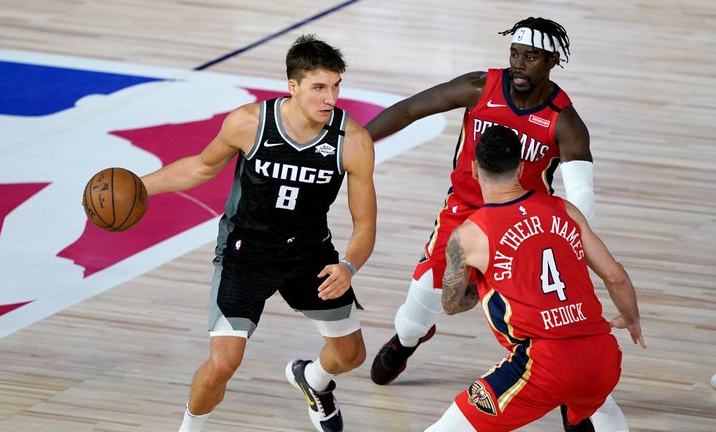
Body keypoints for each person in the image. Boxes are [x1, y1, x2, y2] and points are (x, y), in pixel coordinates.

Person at [141, 34, 376, 432]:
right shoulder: (249, 123)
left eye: (336, 87)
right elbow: (200, 167)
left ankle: (314, 379)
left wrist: (349, 266)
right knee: (222, 365)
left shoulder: (352, 142)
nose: (330, 98)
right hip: (244, 253)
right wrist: (139, 186)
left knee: (351, 356)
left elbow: (365, 225)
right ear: (293, 87)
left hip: (309, 256)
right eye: (319, 87)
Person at [423, 125, 646, 431]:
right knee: (600, 404)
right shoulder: (565, 209)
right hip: (602, 354)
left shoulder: (468, 235)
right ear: (522, 166)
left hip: (544, 362)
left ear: (474, 169)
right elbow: (616, 276)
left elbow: (450, 304)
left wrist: (484, 284)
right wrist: (631, 317)